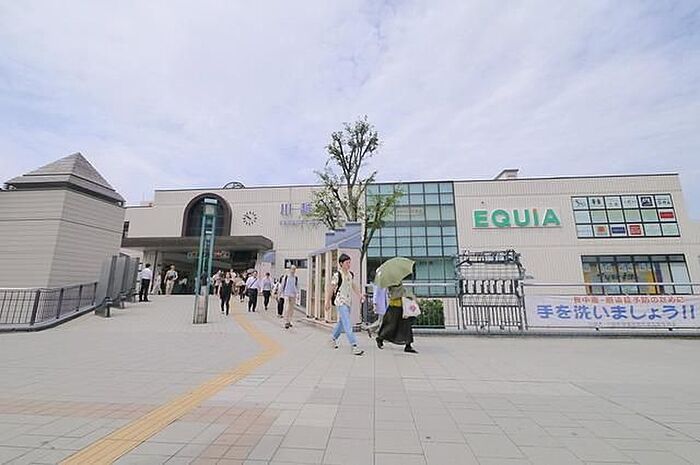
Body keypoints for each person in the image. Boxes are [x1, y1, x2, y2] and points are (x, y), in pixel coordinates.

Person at [325, 254, 365, 356]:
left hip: (348, 302)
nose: (349, 265)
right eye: (347, 263)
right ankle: (354, 345)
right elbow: (330, 289)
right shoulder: (337, 275)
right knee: (347, 323)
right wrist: (327, 302)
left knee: (342, 323)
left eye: (349, 262)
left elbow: (353, 286)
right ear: (341, 264)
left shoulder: (350, 275)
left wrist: (360, 295)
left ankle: (332, 339)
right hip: (340, 302)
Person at [375, 283, 418, 353]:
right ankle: (380, 338)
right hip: (394, 307)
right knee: (391, 326)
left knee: (406, 326)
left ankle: (408, 345)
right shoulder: (391, 285)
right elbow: (396, 295)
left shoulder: (397, 284)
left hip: (403, 308)